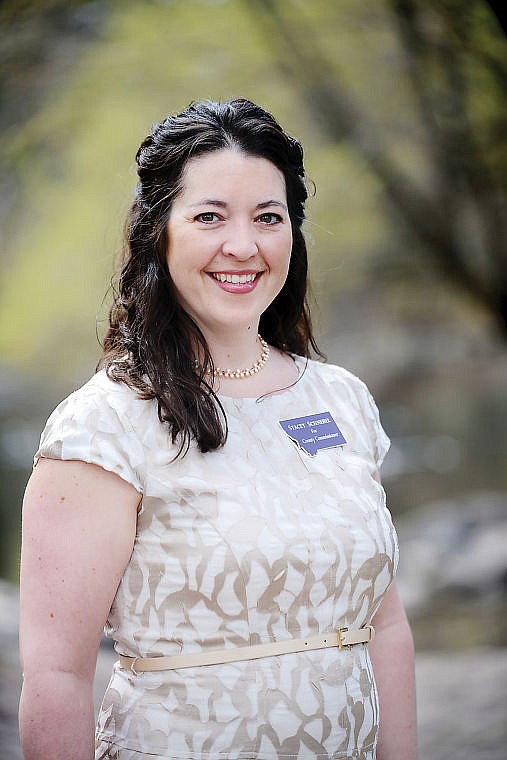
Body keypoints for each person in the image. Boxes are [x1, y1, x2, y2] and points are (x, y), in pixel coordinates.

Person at [19, 98, 417, 760]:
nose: (243, 245)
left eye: (268, 217)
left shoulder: (343, 399)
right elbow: (57, 676)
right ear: (159, 233)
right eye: (209, 217)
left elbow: (385, 624)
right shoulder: (103, 426)